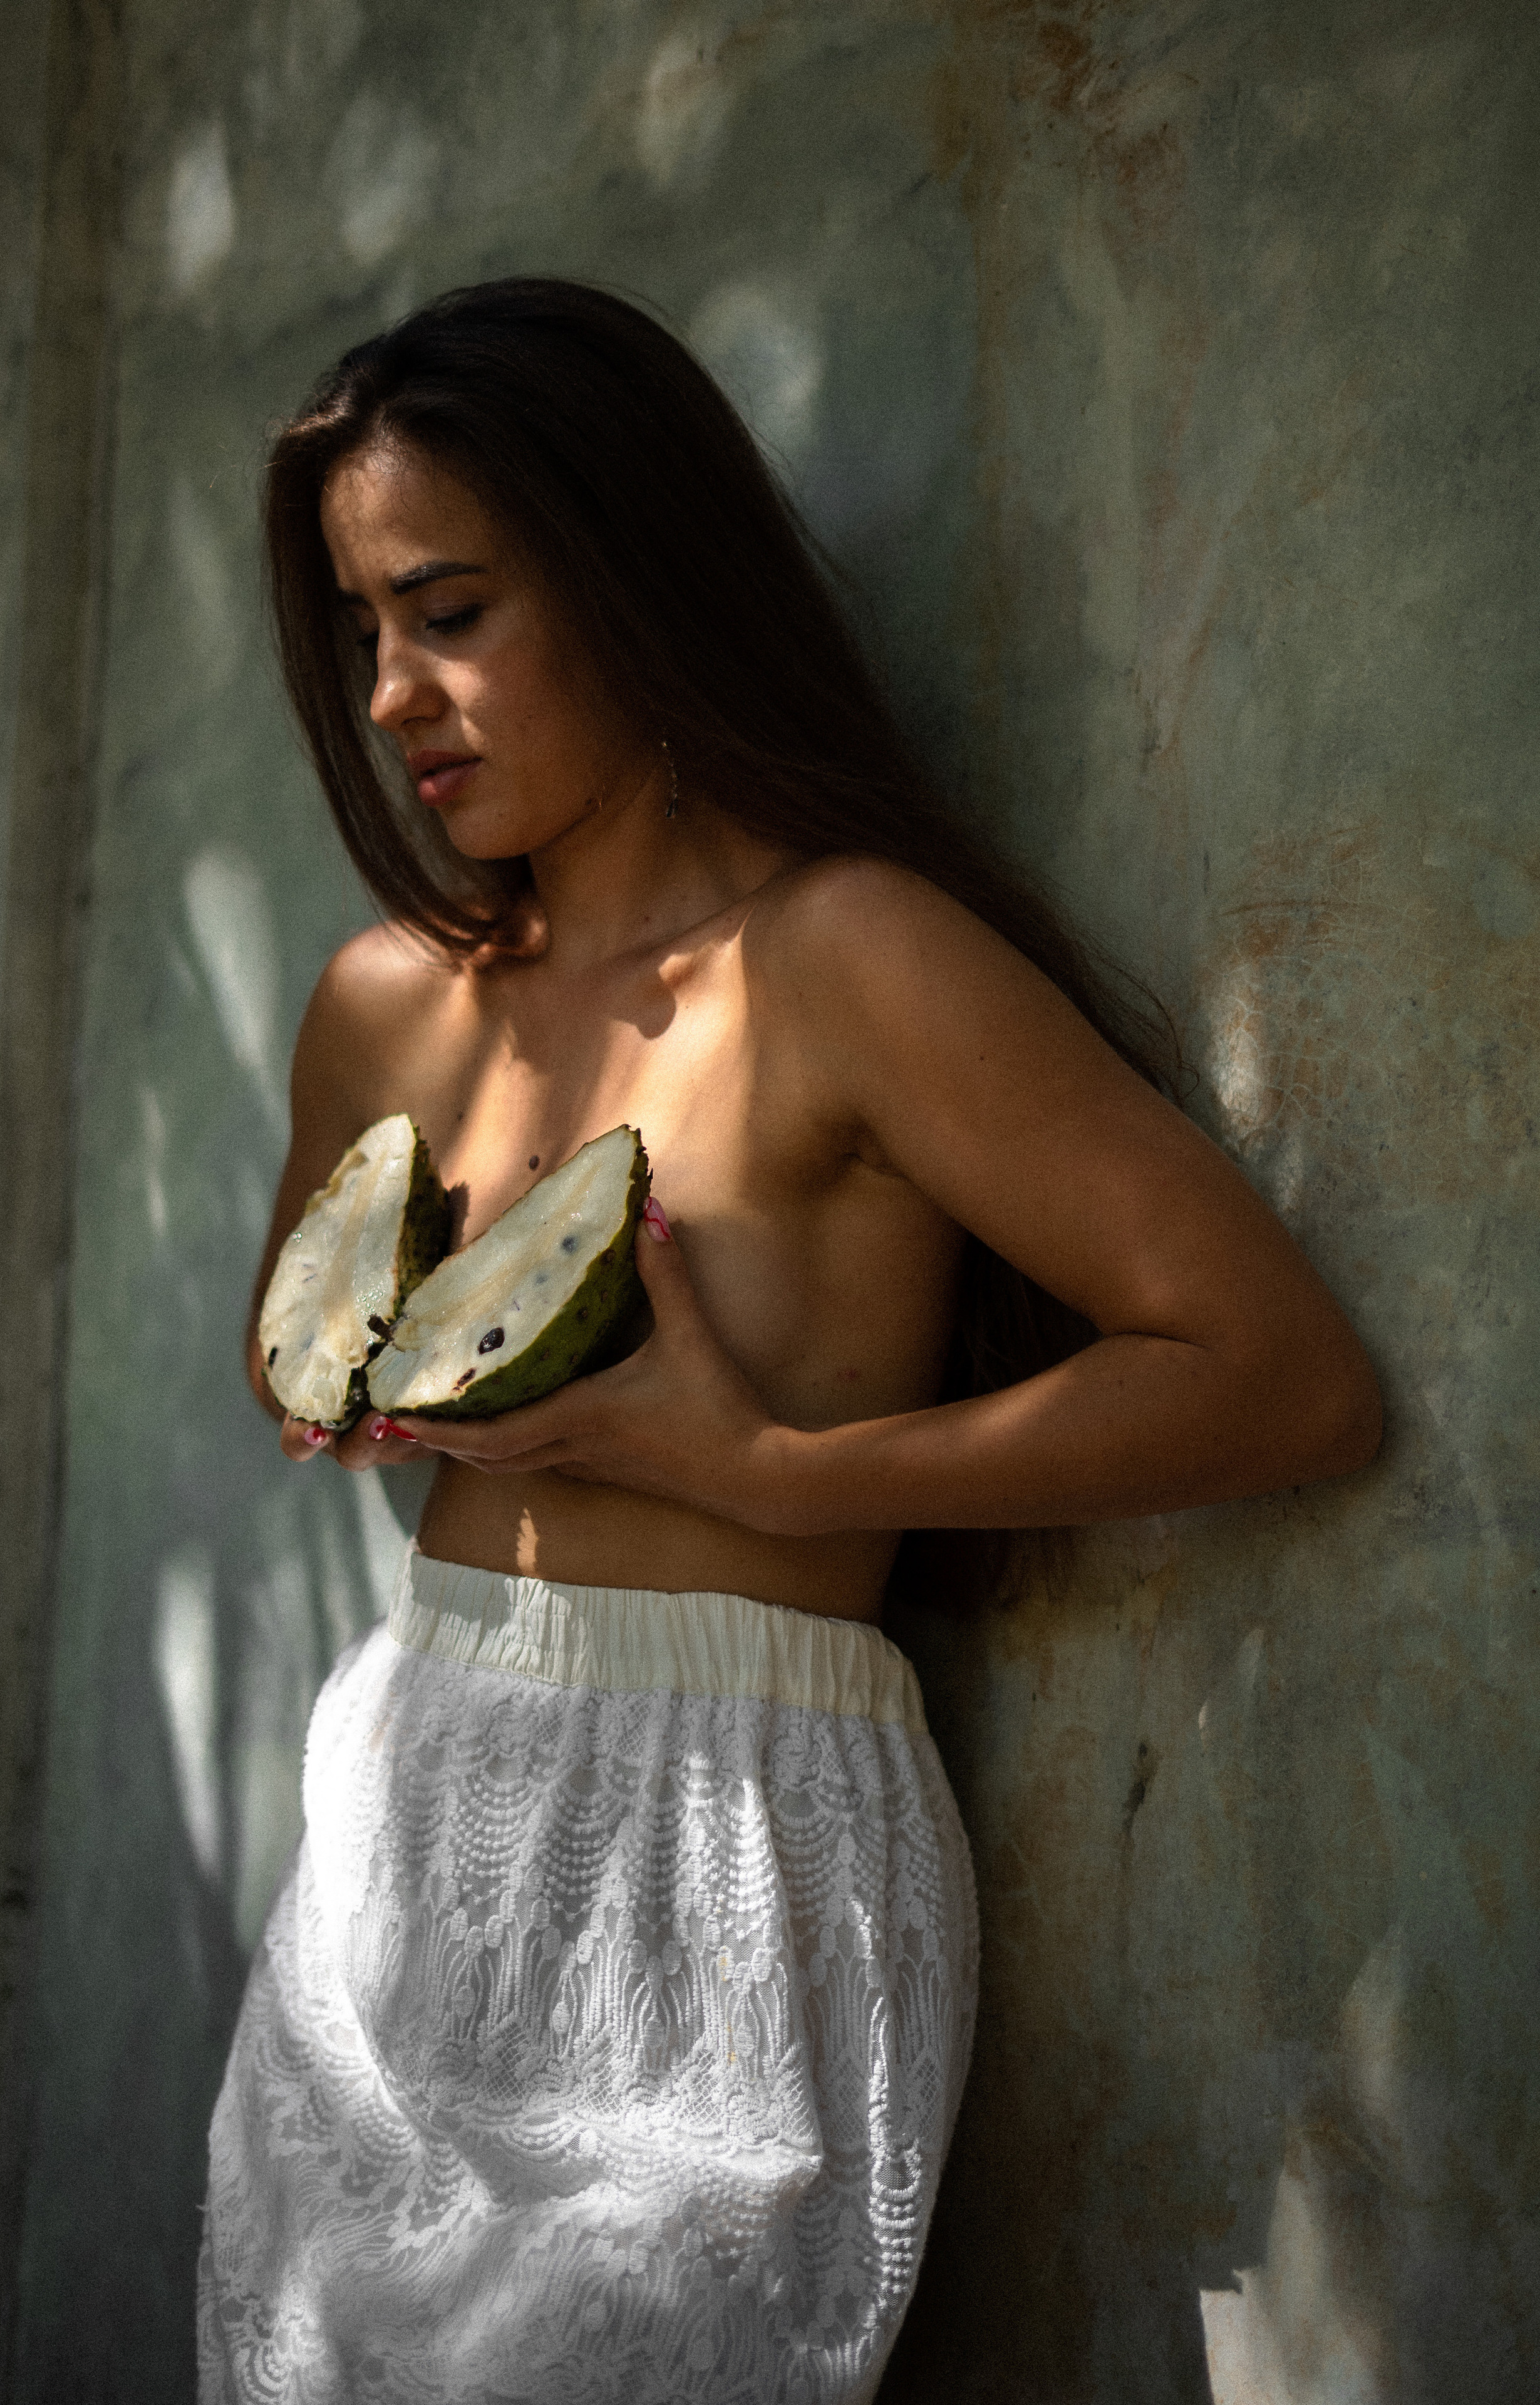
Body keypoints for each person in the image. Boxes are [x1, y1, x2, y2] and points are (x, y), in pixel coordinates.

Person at [198, 278, 1381, 2404]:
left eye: (449, 610)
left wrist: (778, 1476)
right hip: (411, 1810)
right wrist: (359, 1381)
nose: (392, 690)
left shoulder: (851, 960)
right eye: (363, 625)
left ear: (637, 578)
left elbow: (1278, 1374)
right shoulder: (383, 1002)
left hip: (727, 1837)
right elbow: (309, 1356)